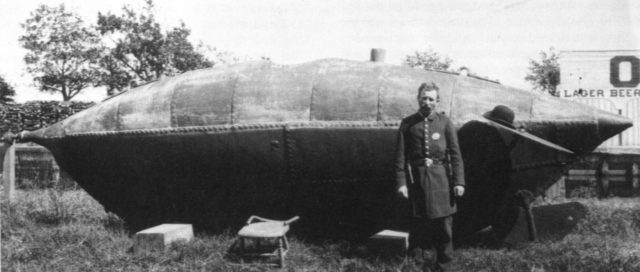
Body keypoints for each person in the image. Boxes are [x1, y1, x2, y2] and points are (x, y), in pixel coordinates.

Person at [395, 82, 465, 271]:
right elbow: (400, 158)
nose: (427, 102)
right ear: (418, 99)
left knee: (444, 227)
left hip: (442, 180)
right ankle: (416, 265)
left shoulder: (445, 123)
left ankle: (444, 265)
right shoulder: (407, 124)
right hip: (417, 181)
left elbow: (455, 154)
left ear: (437, 101)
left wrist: (459, 182)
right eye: (424, 98)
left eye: (431, 99)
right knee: (418, 225)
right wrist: (401, 184)